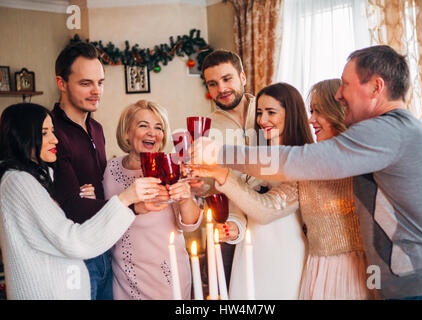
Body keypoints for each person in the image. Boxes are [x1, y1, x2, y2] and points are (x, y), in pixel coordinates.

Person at [193, 45, 422, 300]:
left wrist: (218, 153)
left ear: (376, 87)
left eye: (346, 84)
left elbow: (299, 160)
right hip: (410, 278)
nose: (339, 94)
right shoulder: (410, 130)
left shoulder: (385, 131)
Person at [0, 103, 158, 300]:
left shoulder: (36, 178)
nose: (55, 139)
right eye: (44, 133)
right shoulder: (19, 181)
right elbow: (73, 241)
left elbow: (48, 227)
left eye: (53, 131)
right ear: (21, 137)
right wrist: (126, 198)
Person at [191, 82, 311, 299]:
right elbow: (241, 208)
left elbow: (268, 211)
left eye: (271, 112)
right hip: (249, 253)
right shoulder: (253, 158)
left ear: (291, 114)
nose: (262, 120)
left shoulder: (302, 159)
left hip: (286, 255)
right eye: (259, 113)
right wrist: (234, 227)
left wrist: (221, 174)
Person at [103, 100, 202, 299]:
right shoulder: (108, 169)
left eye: (159, 128)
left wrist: (184, 199)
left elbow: (191, 225)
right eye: (143, 125)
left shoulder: (172, 165)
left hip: (166, 277)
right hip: (124, 278)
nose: (152, 133)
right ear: (126, 133)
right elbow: (102, 217)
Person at [298, 79, 374, 299]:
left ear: (337, 112)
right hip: (318, 271)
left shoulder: (366, 161)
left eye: (318, 111)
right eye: (311, 111)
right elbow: (272, 205)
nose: (311, 120)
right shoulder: (307, 164)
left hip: (359, 272)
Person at [200, 49, 257, 287]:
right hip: (229, 224)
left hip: (270, 221)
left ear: (242, 77)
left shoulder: (270, 111)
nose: (221, 89)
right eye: (213, 83)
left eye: (227, 79)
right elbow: (206, 186)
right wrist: (198, 185)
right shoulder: (207, 128)